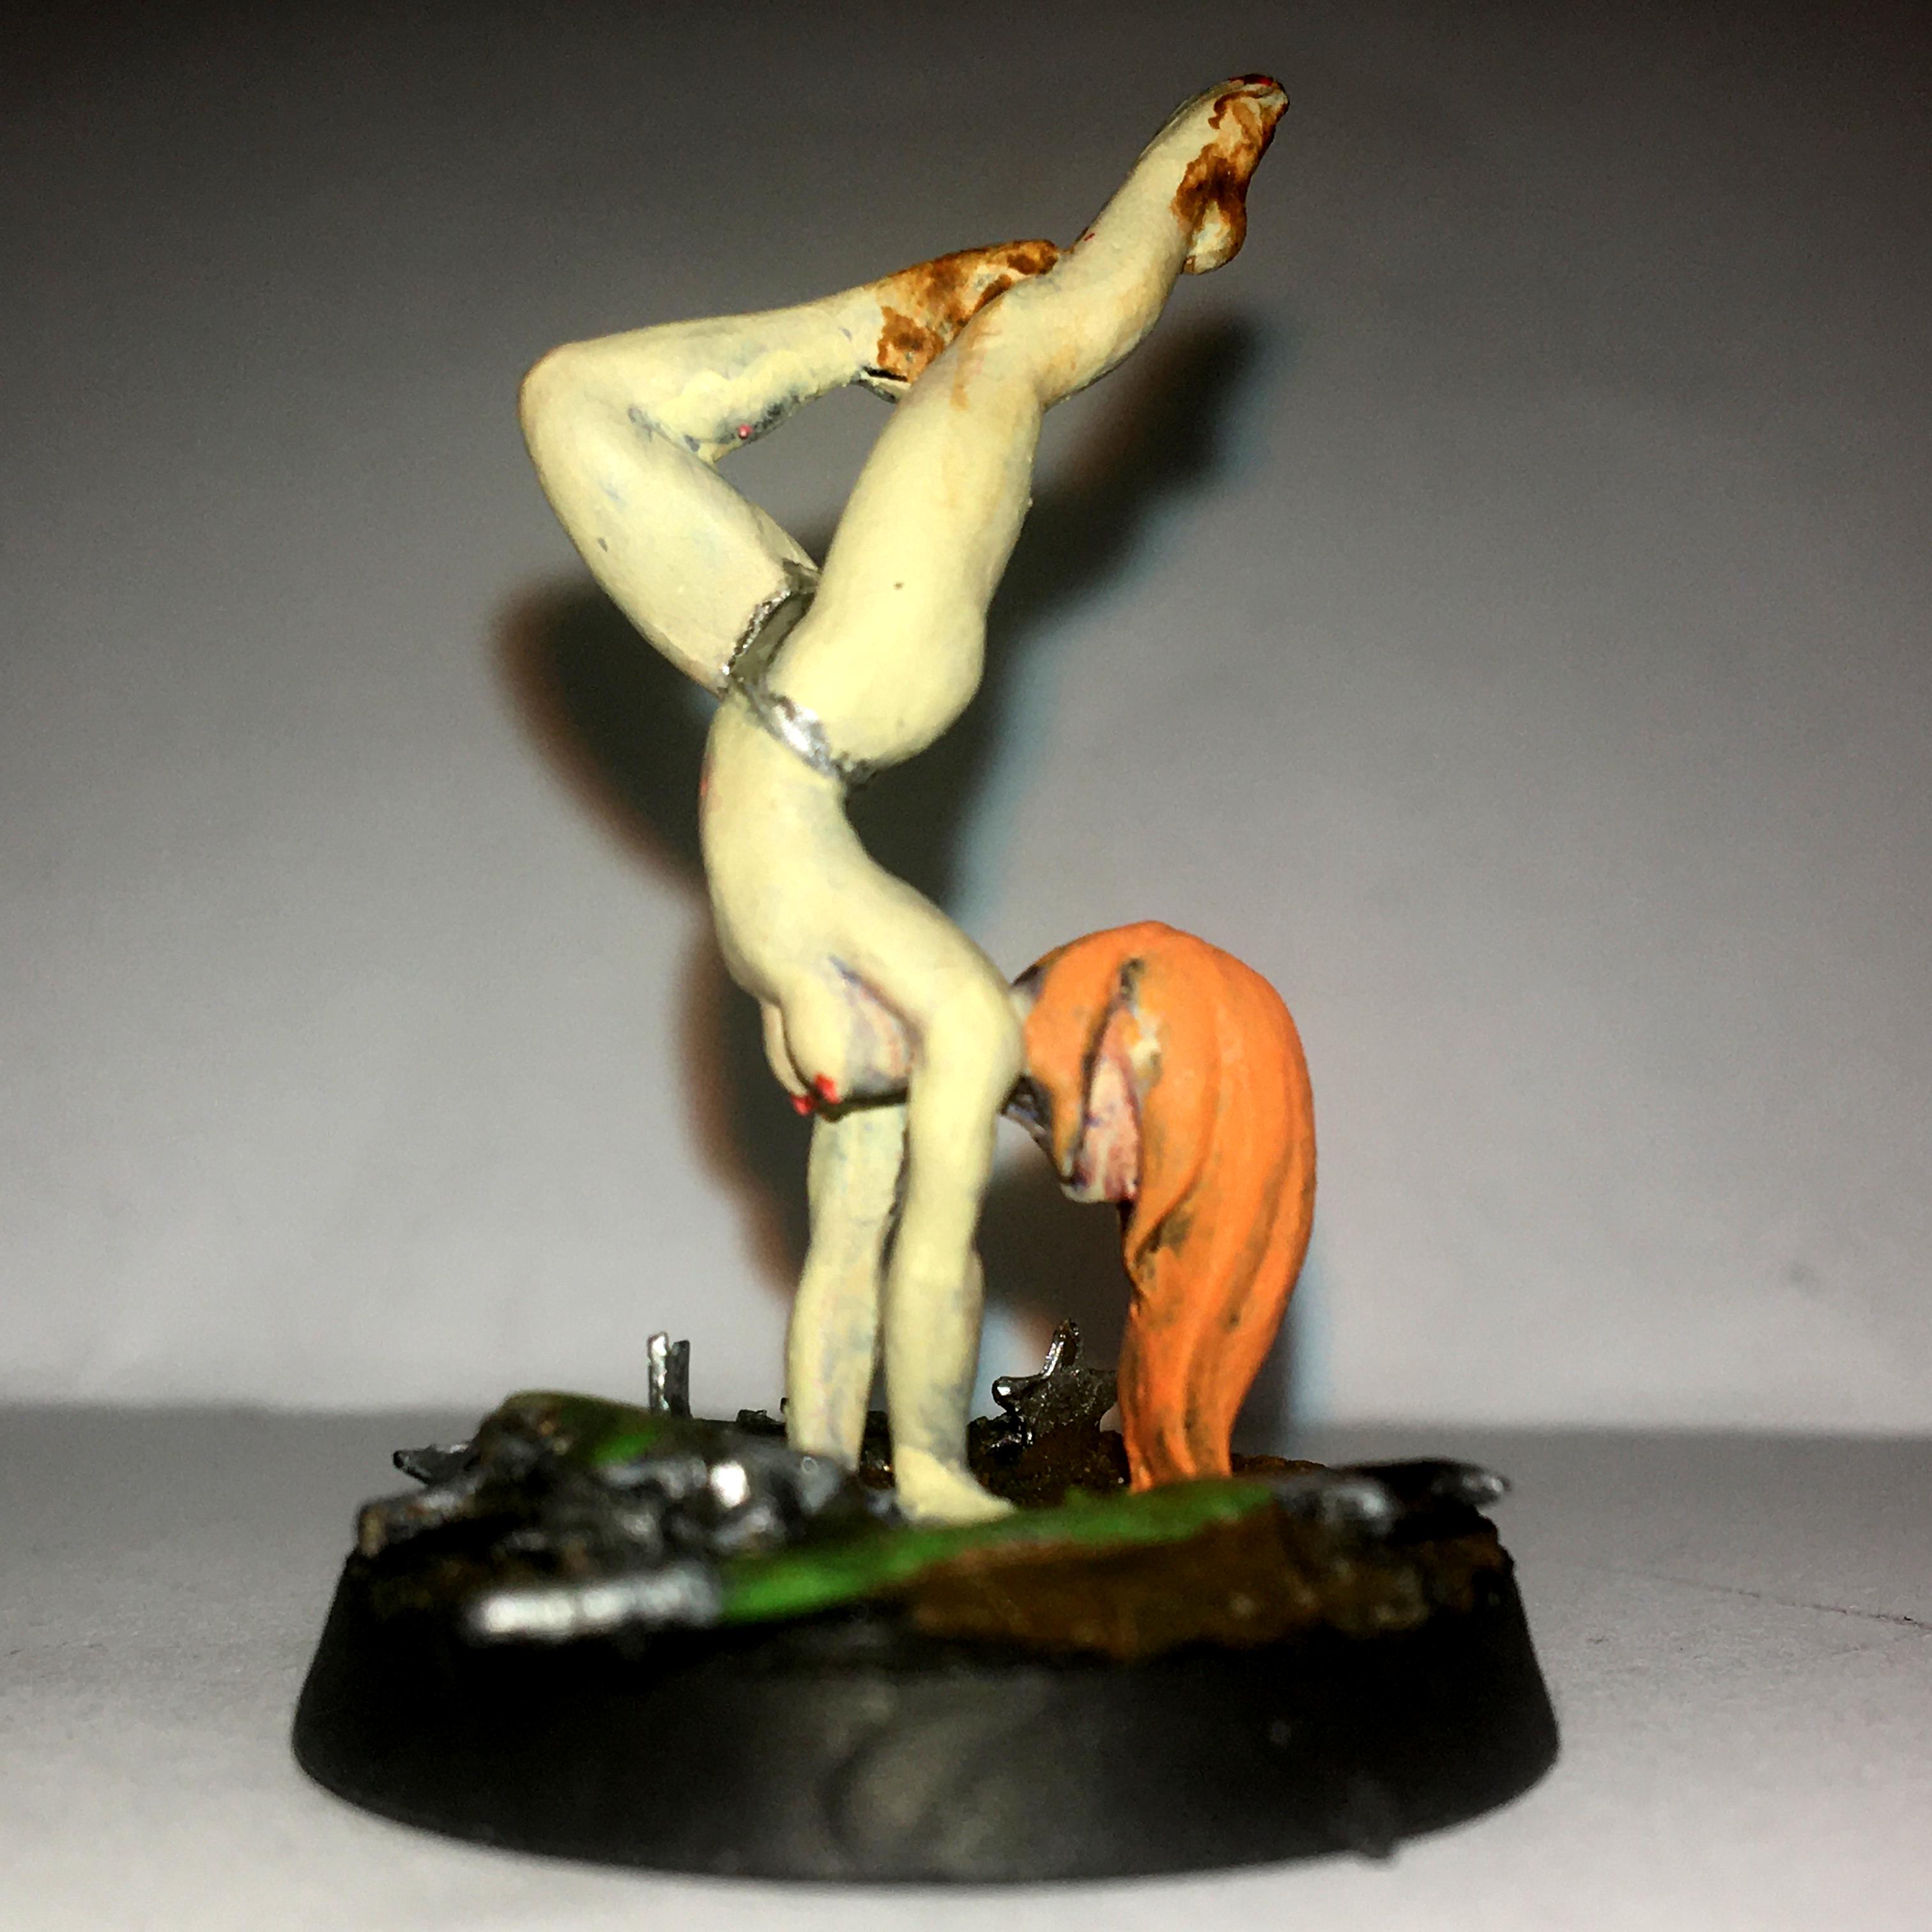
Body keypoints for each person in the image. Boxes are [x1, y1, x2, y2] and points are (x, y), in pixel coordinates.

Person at [520, 77, 1289, 1522]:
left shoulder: (938, 1021)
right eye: (1138, 1149)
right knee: (596, 394)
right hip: (814, 679)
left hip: (810, 695)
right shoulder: (939, 1007)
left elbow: (896, 1263)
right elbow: (908, 1263)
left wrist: (903, 1478)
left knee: (997, 357)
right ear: (1135, 1047)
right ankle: (1080, 242)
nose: (1104, 1175)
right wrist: (894, 1479)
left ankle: (1156, 202)